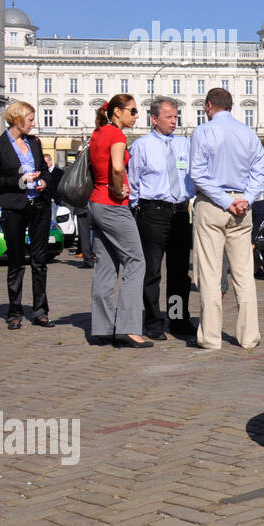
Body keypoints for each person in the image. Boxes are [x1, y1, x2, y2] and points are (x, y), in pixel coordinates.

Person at [190, 88, 264, 351]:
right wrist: (245, 199)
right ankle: (249, 336)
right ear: (231, 106)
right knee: (244, 273)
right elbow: (260, 174)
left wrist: (225, 201)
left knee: (210, 272)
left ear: (209, 106)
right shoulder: (248, 133)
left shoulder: (203, 131)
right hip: (242, 208)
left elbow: (197, 174)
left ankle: (211, 337)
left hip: (213, 205)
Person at [129, 97, 196, 340]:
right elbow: (134, 181)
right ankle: (154, 321)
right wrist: (138, 209)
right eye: (168, 117)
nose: (173, 121)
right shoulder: (142, 146)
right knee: (152, 271)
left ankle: (178, 319)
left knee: (179, 272)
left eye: (176, 116)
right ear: (154, 119)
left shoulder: (184, 145)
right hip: (153, 212)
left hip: (180, 212)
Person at [89, 95, 151, 348]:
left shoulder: (98, 133)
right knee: (135, 261)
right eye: (133, 111)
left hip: (95, 204)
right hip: (113, 205)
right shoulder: (117, 136)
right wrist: (117, 189)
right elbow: (116, 168)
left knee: (105, 266)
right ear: (117, 111)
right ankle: (128, 327)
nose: (136, 116)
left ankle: (103, 328)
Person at [0, 100, 53, 329]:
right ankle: (14, 312)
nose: (34, 123)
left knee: (39, 260)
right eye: (31, 119)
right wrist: (20, 180)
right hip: (14, 207)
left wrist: (44, 181)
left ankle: (40, 311)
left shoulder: (34, 142)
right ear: (17, 119)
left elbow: (45, 171)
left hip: (39, 206)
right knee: (16, 261)